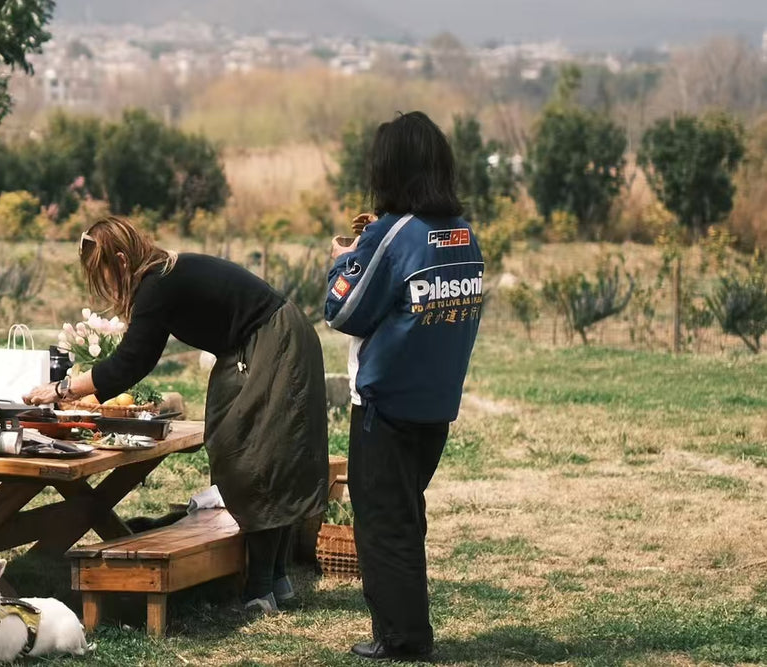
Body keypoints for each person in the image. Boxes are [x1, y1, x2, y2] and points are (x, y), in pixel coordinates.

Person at [25, 216, 328, 616]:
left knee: (252, 458)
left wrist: (63, 389)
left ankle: (261, 588)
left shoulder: (157, 284)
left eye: (106, 276)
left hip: (274, 338)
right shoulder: (165, 275)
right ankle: (274, 580)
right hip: (264, 339)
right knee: (247, 449)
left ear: (121, 258)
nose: (110, 288)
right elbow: (139, 358)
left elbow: (131, 362)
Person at [324, 111, 484, 661]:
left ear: (390, 170)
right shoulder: (463, 235)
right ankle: (404, 628)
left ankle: (402, 639)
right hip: (435, 404)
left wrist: (344, 260)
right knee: (405, 515)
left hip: (384, 405)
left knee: (384, 524)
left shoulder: (393, 236)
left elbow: (341, 311)